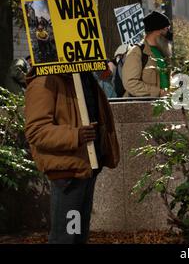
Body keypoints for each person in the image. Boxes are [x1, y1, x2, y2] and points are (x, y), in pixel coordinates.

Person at [24, 69, 120, 243]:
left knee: (77, 234)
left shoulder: (84, 76)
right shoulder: (45, 80)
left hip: (88, 167)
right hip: (69, 173)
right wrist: (75, 135)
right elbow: (36, 131)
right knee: (66, 237)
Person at [122, 11, 172, 97]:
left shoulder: (162, 52)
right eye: (166, 29)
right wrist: (158, 92)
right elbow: (130, 83)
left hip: (163, 105)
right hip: (143, 106)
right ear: (157, 31)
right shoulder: (136, 52)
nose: (169, 32)